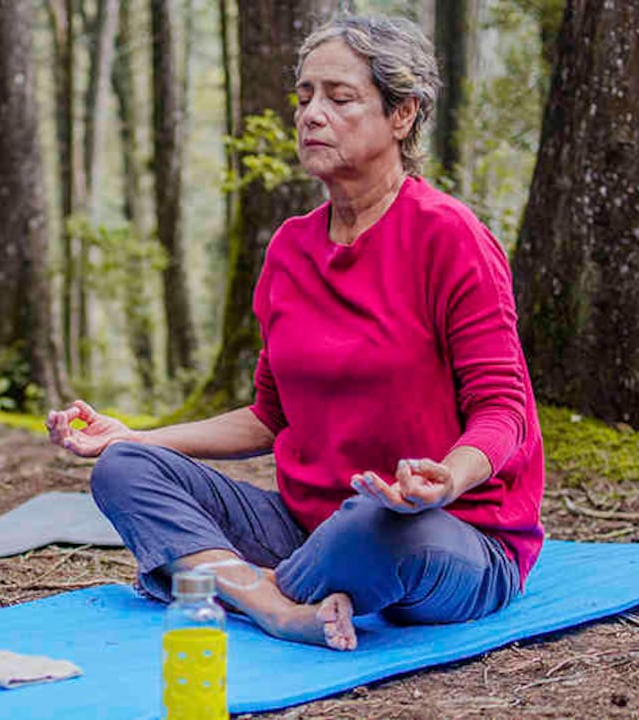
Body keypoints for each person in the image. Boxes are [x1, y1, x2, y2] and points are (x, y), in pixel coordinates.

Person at [47, 15, 544, 651]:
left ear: (403, 115)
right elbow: (268, 416)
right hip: (306, 525)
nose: (311, 114)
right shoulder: (290, 248)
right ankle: (275, 607)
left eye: (339, 98)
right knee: (125, 468)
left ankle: (229, 585)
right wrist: (138, 435)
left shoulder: (449, 237)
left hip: (445, 531)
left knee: (373, 523)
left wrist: (446, 479)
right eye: (304, 96)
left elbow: (505, 411)